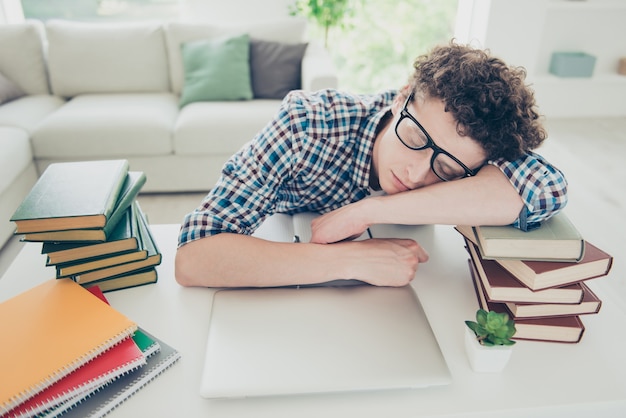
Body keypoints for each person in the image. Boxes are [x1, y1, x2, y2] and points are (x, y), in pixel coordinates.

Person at [175, 42, 567, 288]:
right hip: (288, 274)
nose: (417, 175)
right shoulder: (308, 123)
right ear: (401, 100)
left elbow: (545, 188)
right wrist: (351, 259)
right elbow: (195, 257)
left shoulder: (472, 146)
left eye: (445, 171)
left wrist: (371, 208)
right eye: (415, 139)